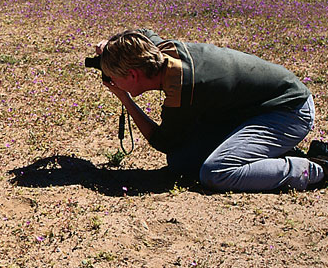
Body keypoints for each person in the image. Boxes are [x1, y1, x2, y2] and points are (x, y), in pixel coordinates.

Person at [95, 28, 326, 192]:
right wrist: (111, 48)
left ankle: (316, 170)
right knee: (181, 161)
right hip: (257, 109)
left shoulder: (183, 87)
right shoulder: (161, 51)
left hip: (289, 111)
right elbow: (143, 31)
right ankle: (271, 152)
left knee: (216, 173)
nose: (112, 80)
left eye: (114, 76)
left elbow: (163, 141)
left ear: (133, 75)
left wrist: (125, 99)